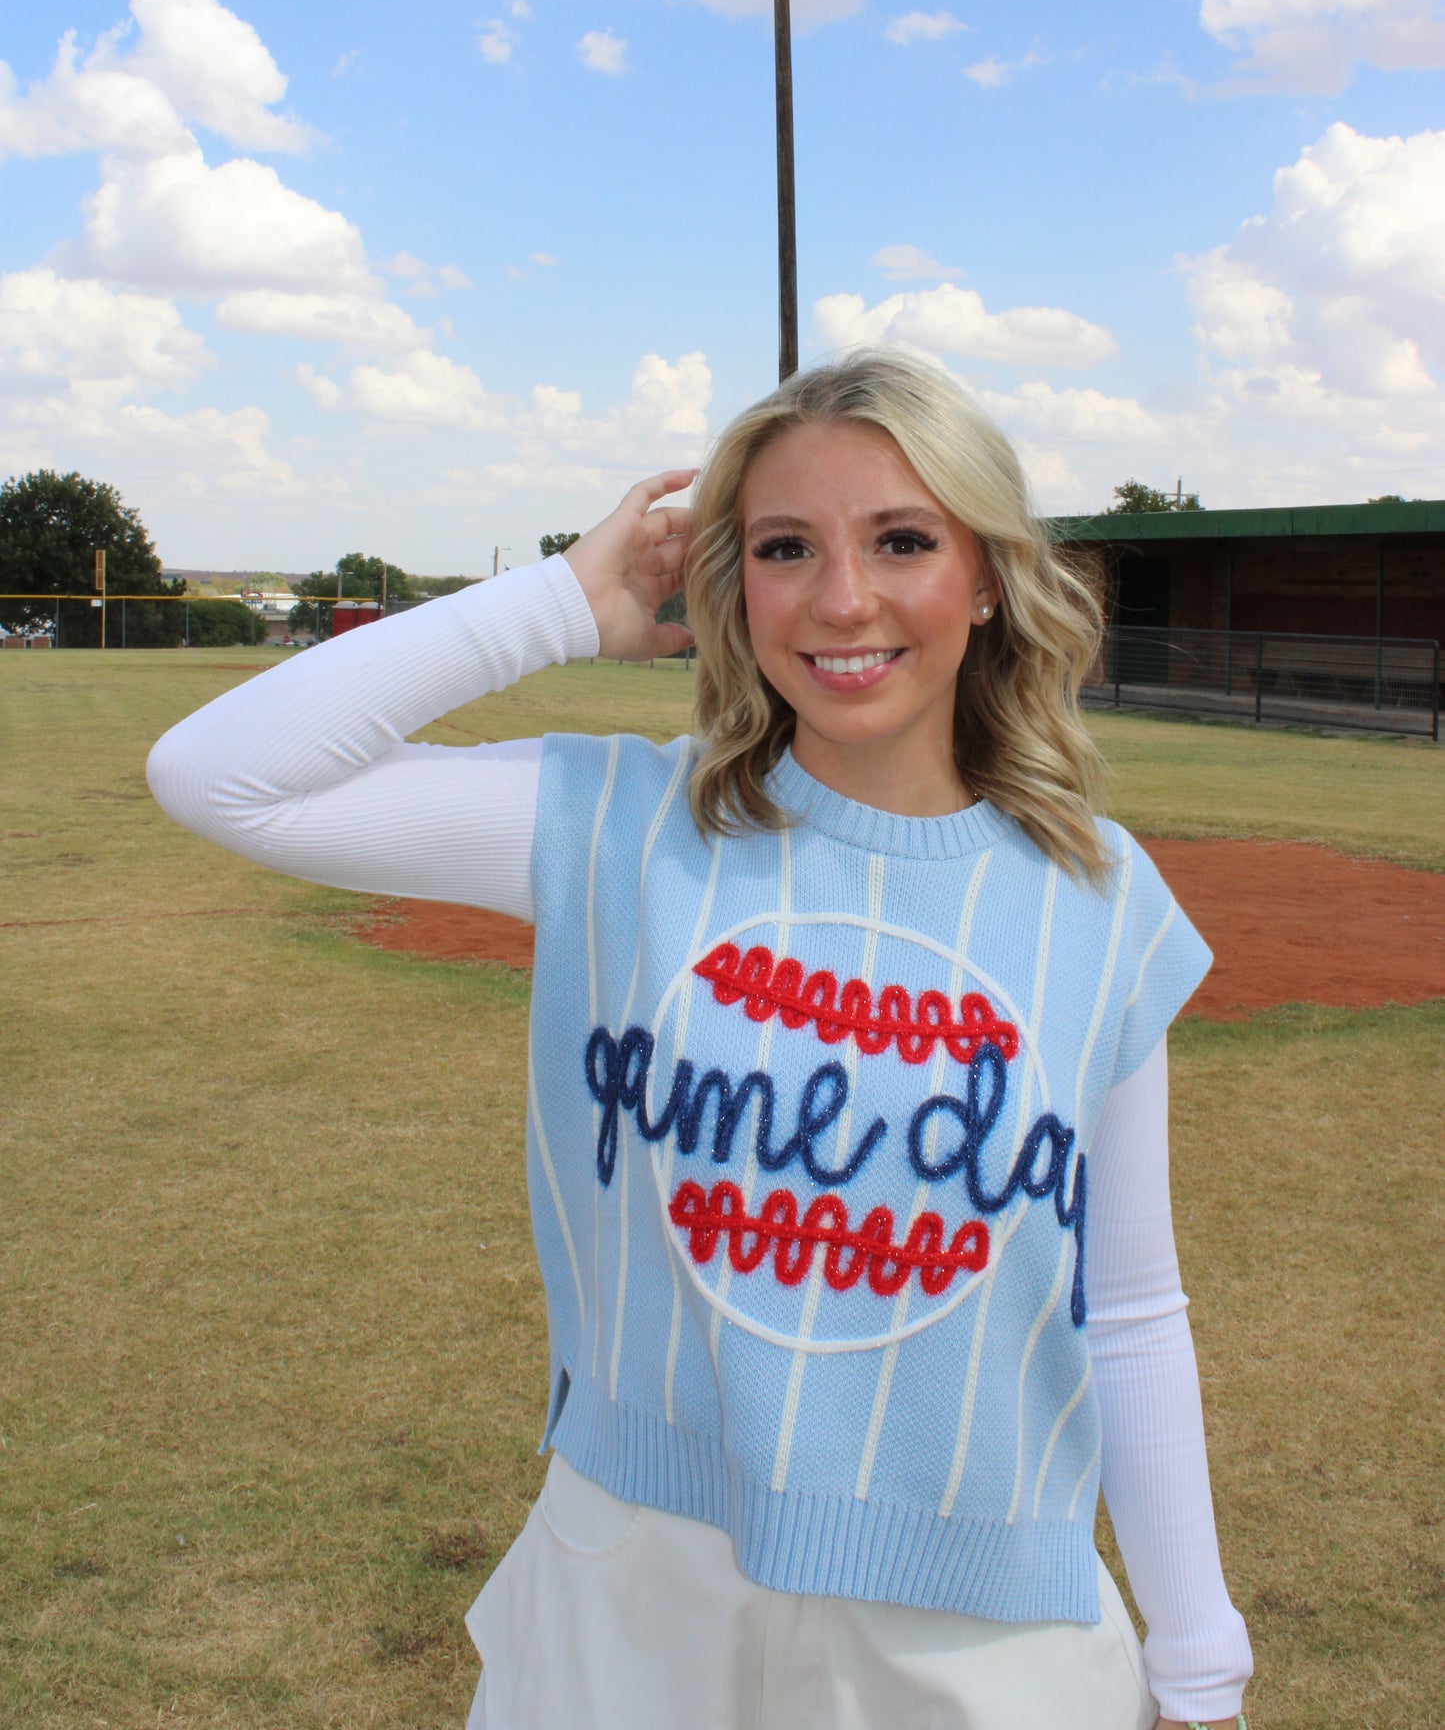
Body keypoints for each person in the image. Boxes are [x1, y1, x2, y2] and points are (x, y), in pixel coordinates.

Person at [147, 349, 1252, 1730]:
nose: (841, 599)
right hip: (632, 1595)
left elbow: (1129, 1306)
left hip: (979, 1635)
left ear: (984, 577)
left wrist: (1199, 1656)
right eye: (785, 548)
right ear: (734, 585)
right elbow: (216, 776)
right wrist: (559, 601)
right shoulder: (621, 827)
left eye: (901, 540)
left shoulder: (1097, 896)